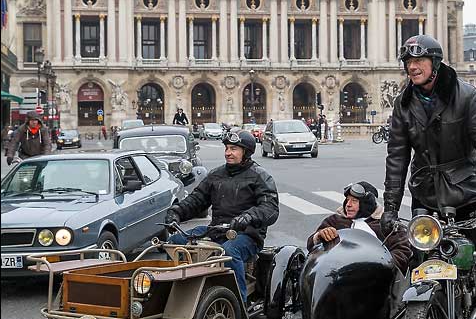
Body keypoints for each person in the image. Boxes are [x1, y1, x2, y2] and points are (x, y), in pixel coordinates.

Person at [381, 34, 476, 319]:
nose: (412, 67)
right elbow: (397, 158)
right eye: (408, 62)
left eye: (418, 61)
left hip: (468, 191)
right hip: (427, 193)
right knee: (420, 259)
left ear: (436, 63)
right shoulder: (404, 104)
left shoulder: (467, 97)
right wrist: (390, 206)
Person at [165, 129, 279, 302]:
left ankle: (238, 305)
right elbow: (197, 200)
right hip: (216, 230)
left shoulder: (260, 176)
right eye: (226, 148)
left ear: (246, 152)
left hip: (247, 235)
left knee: (229, 252)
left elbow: (270, 207)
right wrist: (176, 213)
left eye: (233, 149)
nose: (228, 153)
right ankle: (175, 298)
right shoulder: (216, 175)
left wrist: (248, 217)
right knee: (175, 243)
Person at [307, 181, 411, 275]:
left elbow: (403, 250)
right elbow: (311, 245)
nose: (348, 205)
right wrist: (320, 236)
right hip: (336, 275)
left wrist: (383, 265)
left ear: (367, 203)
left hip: (374, 280)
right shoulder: (334, 220)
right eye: (347, 200)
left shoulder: (385, 223)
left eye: (354, 201)